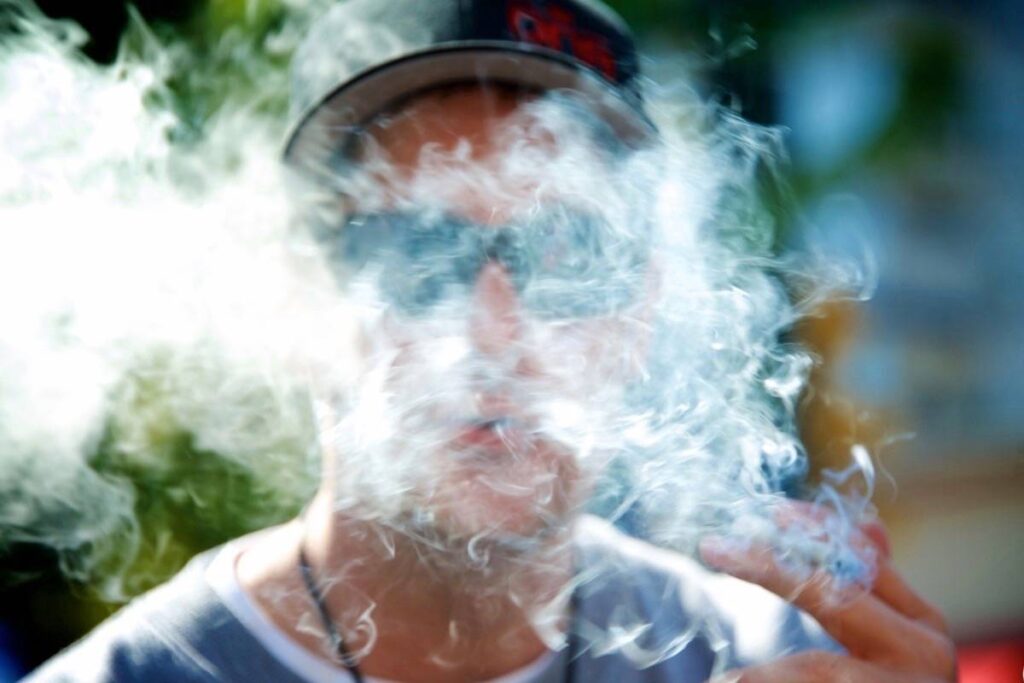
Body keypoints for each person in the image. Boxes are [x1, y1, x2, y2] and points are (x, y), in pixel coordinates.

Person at [25, 0, 956, 681]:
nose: (498, 331)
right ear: (298, 306)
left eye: (568, 251)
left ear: (638, 313)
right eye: (420, 249)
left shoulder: (760, 658)